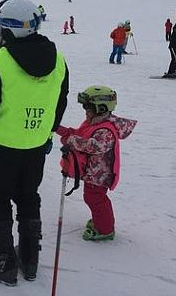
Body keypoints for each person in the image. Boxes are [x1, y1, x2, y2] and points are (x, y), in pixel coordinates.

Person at [0, 0, 69, 285]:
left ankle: (2, 261)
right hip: (35, 145)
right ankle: (29, 257)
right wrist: (48, 132)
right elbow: (61, 101)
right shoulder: (58, 59)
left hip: (1, 146)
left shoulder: (1, 61)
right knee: (28, 195)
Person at [56, 86, 136, 241]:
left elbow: (93, 146)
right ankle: (101, 220)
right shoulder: (93, 123)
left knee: (95, 199)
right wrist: (60, 130)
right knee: (92, 198)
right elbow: (79, 134)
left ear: (101, 108)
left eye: (88, 107)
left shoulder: (105, 130)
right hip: (93, 173)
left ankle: (105, 229)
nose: (85, 110)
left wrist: (70, 140)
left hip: (100, 175)